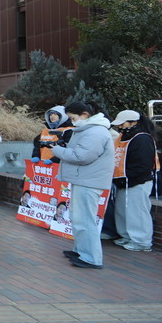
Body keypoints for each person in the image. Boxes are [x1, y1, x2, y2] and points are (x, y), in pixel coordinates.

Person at [48, 102, 114, 268]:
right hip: (85, 179)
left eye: (73, 118)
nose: (72, 121)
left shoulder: (96, 132)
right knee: (78, 217)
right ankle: (81, 250)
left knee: (85, 220)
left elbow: (81, 156)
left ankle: (91, 257)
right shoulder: (91, 130)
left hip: (89, 181)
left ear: (85, 115)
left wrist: (57, 151)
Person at [109, 109, 157, 252]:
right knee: (122, 211)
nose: (120, 127)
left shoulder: (142, 138)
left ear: (133, 122)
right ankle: (127, 235)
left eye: (123, 124)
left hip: (137, 181)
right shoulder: (123, 137)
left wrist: (129, 178)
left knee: (137, 211)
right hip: (123, 181)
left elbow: (143, 164)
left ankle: (142, 241)